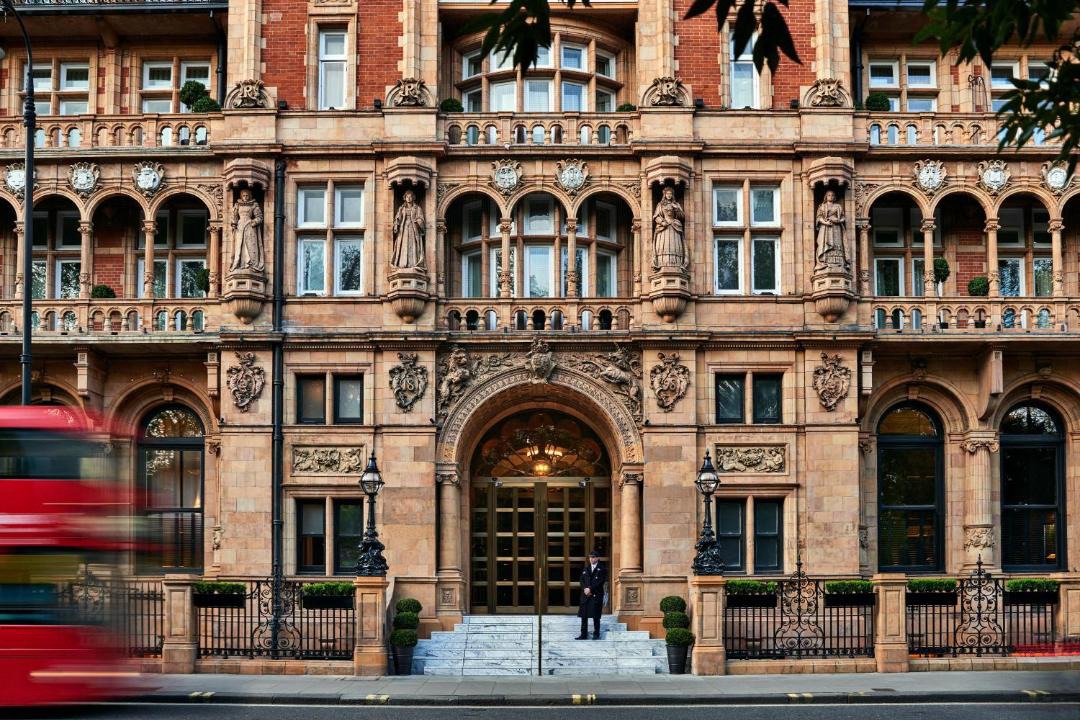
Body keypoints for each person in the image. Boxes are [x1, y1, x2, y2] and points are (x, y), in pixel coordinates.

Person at [576, 550, 606, 640]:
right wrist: (585, 588)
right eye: (590, 557)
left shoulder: (602, 569)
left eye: (593, 557)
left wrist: (590, 589)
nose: (591, 559)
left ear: (598, 558)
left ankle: (596, 634)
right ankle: (583, 634)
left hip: (596, 595)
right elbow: (581, 580)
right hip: (585, 595)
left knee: (596, 615)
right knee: (583, 616)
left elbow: (600, 582)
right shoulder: (586, 568)